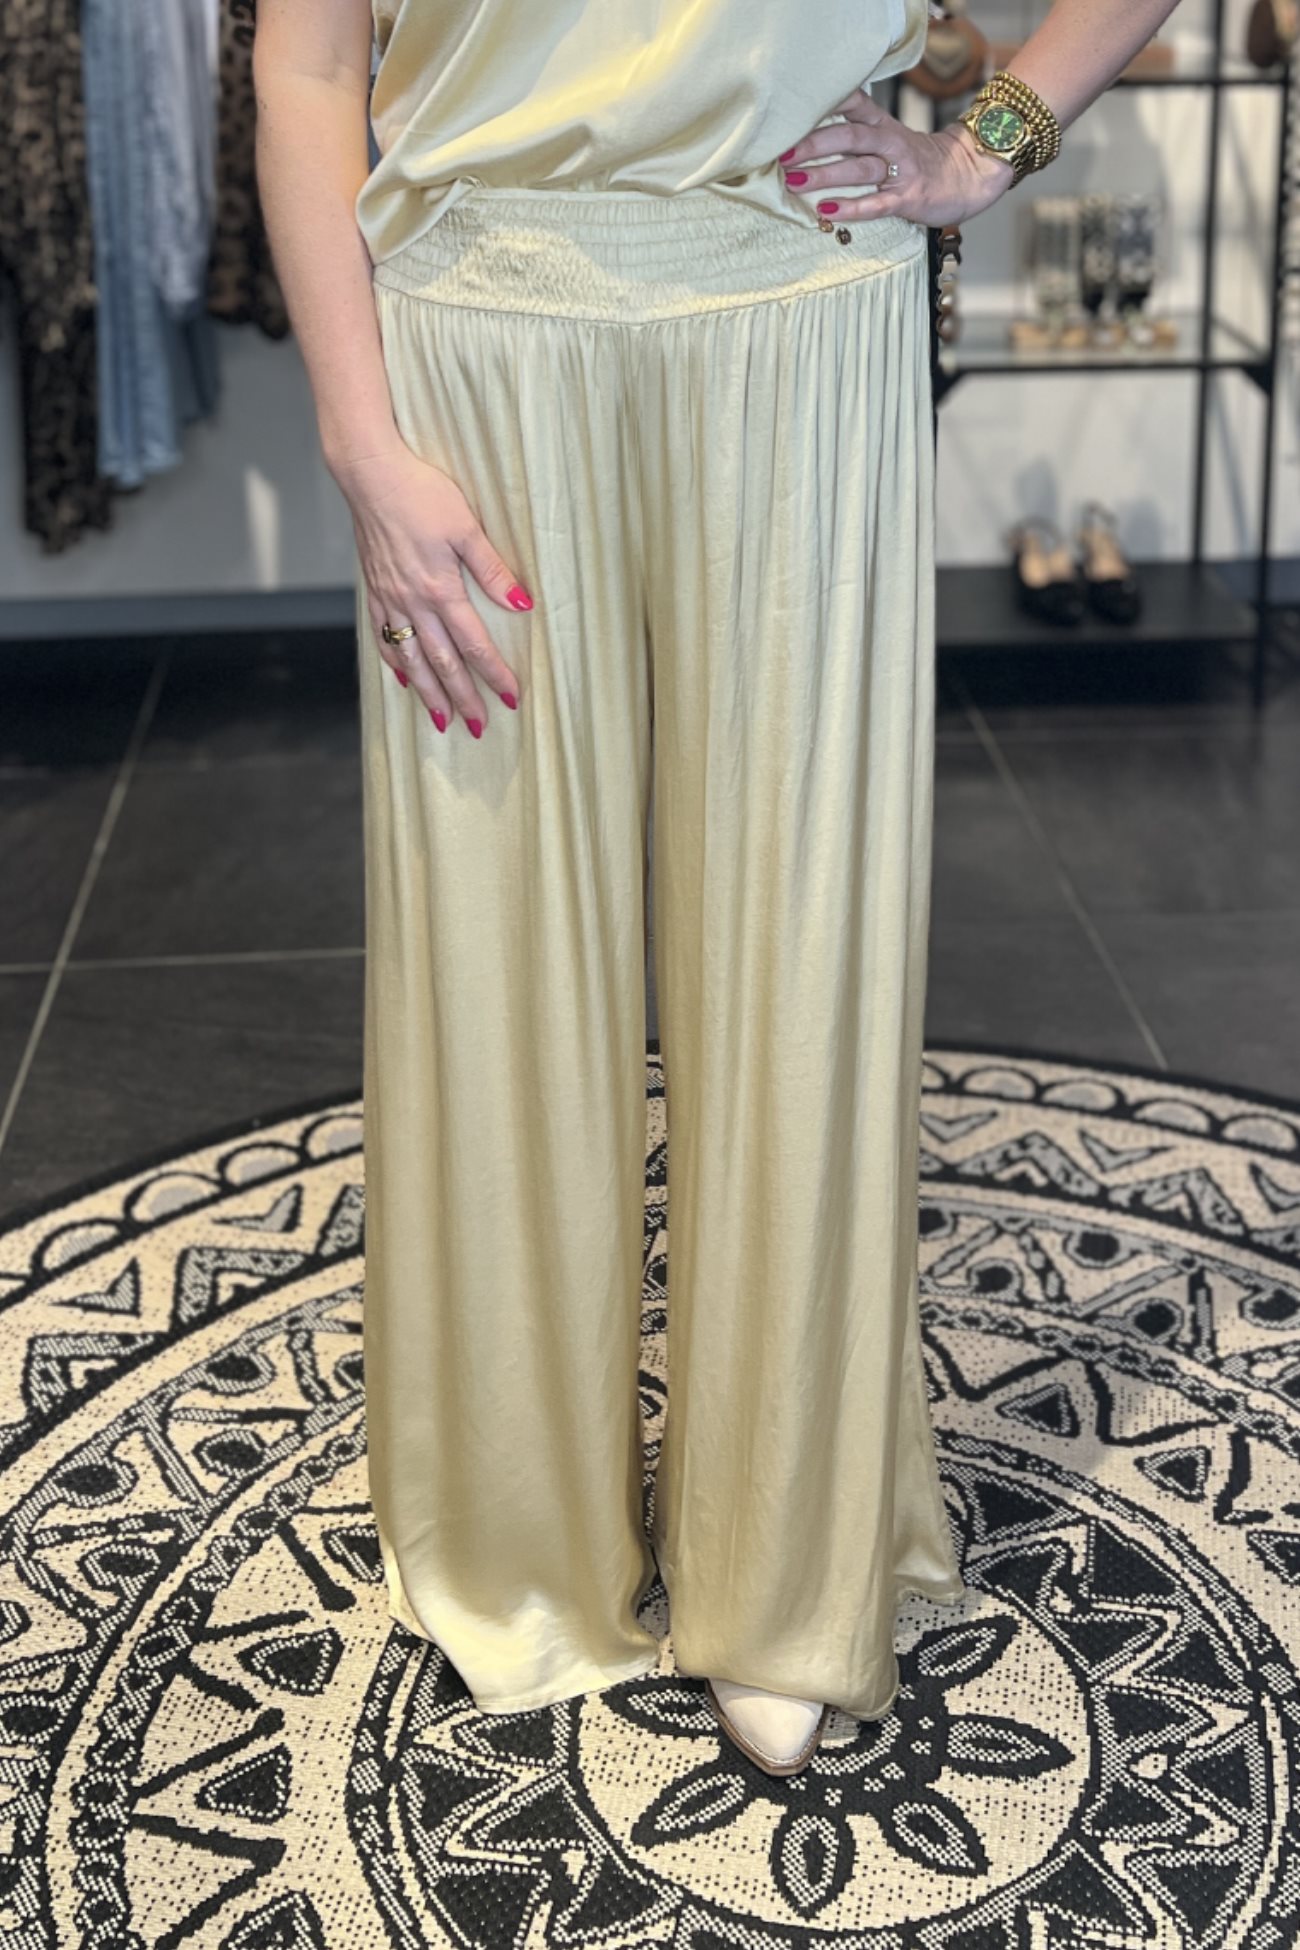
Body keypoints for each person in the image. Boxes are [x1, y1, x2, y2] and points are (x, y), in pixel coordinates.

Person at [254, 0, 1182, 1778]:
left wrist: (984, 143)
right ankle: (518, 1530)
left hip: (795, 306)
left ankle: (783, 1564)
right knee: (495, 963)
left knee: (797, 950)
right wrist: (361, 445)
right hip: (477, 346)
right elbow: (303, 64)